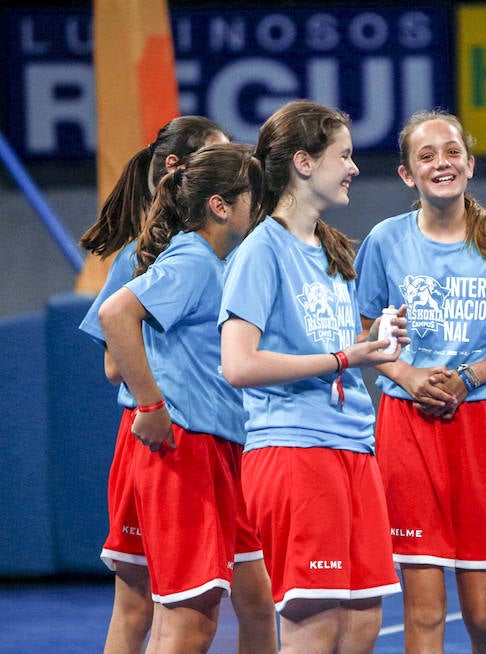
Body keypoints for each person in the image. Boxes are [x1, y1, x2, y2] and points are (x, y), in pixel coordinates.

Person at [354, 109, 486, 653]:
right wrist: (408, 375)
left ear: (469, 162)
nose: (442, 162)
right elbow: (365, 331)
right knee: (423, 613)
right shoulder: (384, 241)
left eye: (452, 151)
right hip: (407, 427)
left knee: (484, 616)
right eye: (426, 155)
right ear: (406, 175)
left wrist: (469, 377)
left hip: (481, 427)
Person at [79, 116, 276, 654]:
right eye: (247, 194)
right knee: (179, 614)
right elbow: (116, 332)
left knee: (244, 604)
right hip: (177, 444)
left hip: (215, 443)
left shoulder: (222, 257)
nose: (256, 206)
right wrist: (153, 401)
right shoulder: (183, 258)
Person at [218, 99, 406, 654]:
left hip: (354, 448)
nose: (352, 167)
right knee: (316, 624)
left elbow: (337, 347)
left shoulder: (330, 250)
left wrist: (378, 338)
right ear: (303, 162)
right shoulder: (260, 251)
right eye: (342, 155)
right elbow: (239, 364)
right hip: (294, 452)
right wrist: (347, 358)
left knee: (363, 621)